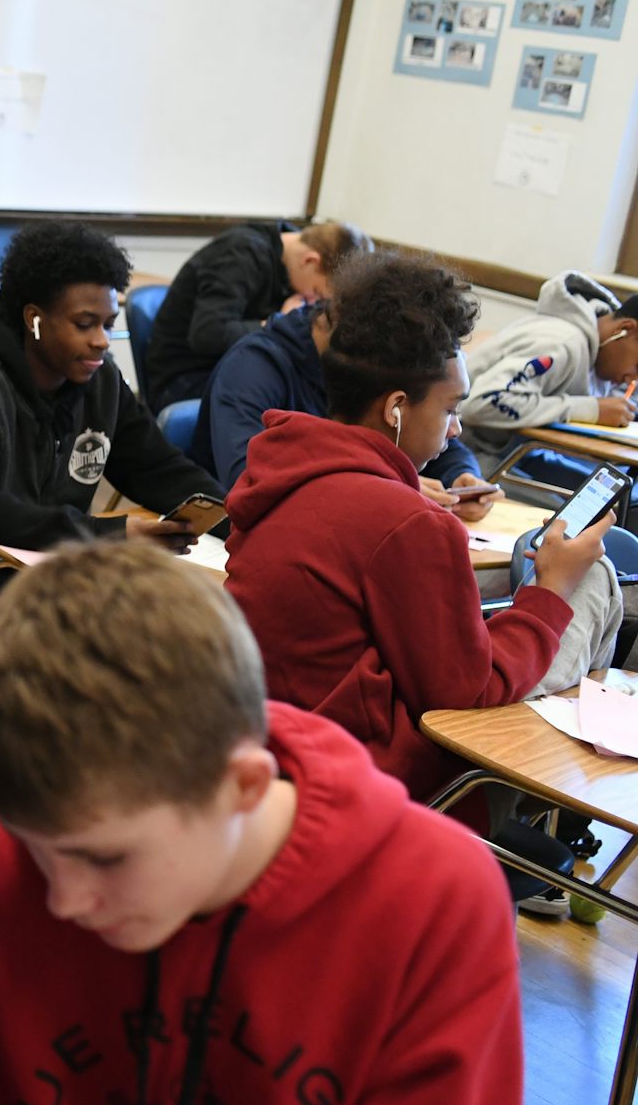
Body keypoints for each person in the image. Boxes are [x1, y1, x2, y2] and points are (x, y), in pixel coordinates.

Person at [0, 541, 522, 1105]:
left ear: (242, 786)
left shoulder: (433, 903)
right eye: (32, 849)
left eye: (105, 858)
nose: (64, 900)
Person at [222, 253, 615, 810]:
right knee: (593, 580)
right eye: (451, 407)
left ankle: (543, 823)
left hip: (274, 748)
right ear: (396, 410)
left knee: (524, 594)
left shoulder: (284, 469)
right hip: (378, 779)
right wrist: (549, 592)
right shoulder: (406, 521)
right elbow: (468, 689)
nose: (456, 427)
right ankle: (549, 812)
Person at [0, 221, 223, 563]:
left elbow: (157, 468)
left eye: (108, 324)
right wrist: (108, 535)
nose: (102, 340)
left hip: (64, 569)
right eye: (84, 324)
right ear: (34, 319)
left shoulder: (102, 381)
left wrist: (236, 516)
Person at [193, 300, 495, 521]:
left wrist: (461, 474)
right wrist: (393, 489)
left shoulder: (368, 370)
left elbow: (432, 429)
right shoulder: (253, 366)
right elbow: (247, 477)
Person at [141, 218, 370, 411]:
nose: (313, 302)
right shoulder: (240, 254)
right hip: (184, 379)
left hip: (231, 370)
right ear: (310, 260)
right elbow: (207, 334)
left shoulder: (290, 263)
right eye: (318, 294)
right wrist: (277, 322)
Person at [456, 271, 638, 481]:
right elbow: (481, 404)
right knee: (591, 507)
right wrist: (589, 409)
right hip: (465, 454)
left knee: (614, 492)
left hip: (518, 452)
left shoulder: (603, 354)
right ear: (625, 329)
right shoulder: (560, 343)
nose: (632, 379)